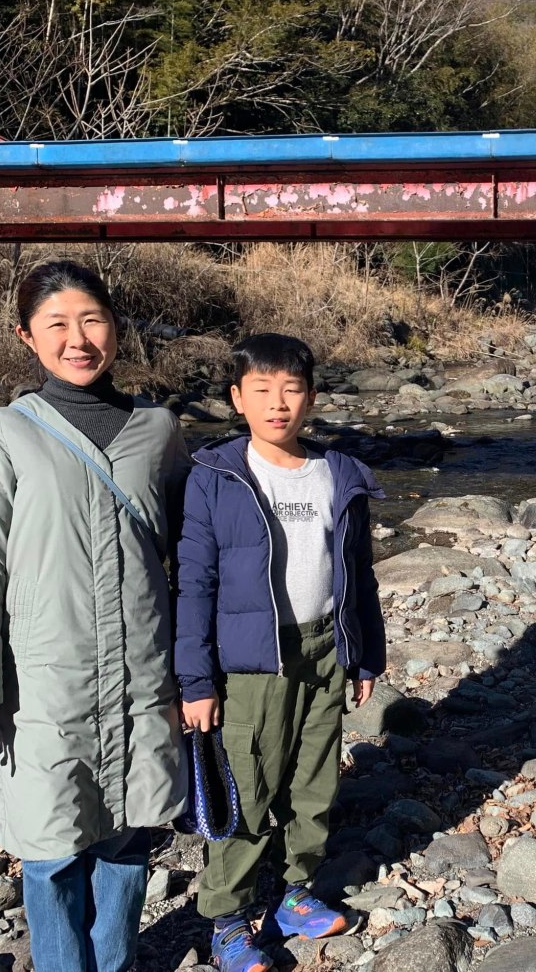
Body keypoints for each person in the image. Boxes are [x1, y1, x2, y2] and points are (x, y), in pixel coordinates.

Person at [0, 259, 190, 972]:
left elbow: (197, 548)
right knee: (51, 850)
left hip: (143, 675)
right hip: (44, 684)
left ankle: (115, 963)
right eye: (56, 325)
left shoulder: (158, 429)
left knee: (132, 838)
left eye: (92, 320)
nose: (77, 339)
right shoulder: (1, 435)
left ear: (115, 327)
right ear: (27, 337)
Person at [175, 333, 386, 972]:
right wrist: (195, 679)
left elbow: (359, 573)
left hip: (324, 646)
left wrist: (366, 653)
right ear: (237, 399)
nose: (278, 404)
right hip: (249, 661)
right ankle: (229, 920)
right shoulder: (216, 476)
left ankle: (296, 892)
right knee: (247, 787)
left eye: (291, 390)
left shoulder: (336, 472)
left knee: (314, 778)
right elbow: (194, 580)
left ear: (311, 397)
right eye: (262, 391)